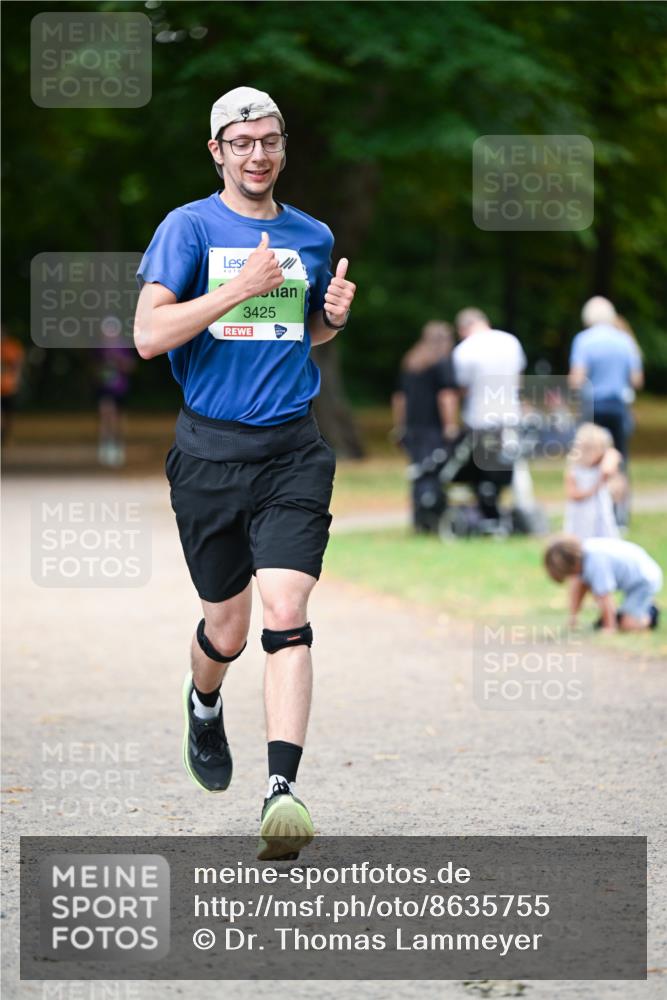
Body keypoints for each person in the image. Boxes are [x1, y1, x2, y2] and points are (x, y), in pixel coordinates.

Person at [133, 86, 356, 861]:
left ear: (282, 147)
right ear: (217, 152)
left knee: (285, 606)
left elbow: (302, 336)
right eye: (242, 143)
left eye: (269, 141)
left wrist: (329, 315)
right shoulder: (187, 226)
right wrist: (233, 288)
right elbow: (149, 335)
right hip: (208, 456)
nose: (257, 154)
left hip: (293, 448)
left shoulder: (311, 233)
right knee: (225, 630)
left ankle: (281, 790)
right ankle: (203, 700)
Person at [450, 307, 527, 524]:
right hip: (510, 413)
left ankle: (486, 513)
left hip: (480, 417)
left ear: (463, 328)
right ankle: (522, 511)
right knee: (514, 466)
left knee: (482, 468)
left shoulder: (464, 350)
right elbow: (518, 379)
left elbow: (462, 388)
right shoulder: (510, 341)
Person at [391, 320, 458, 532]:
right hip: (433, 427)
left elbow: (399, 398)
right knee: (433, 471)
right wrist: (450, 425)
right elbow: (446, 396)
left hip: (413, 428)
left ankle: (419, 519)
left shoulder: (412, 361)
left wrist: (400, 426)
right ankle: (433, 519)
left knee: (417, 472)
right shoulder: (443, 362)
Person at [568, 296, 643, 462]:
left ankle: (591, 486)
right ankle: (620, 485)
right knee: (619, 454)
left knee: (588, 456)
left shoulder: (583, 340)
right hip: (618, 406)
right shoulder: (625, 341)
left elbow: (577, 379)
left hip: (592, 407)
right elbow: (636, 380)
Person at [544, 535, 662, 632]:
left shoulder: (596, 563)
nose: (571, 577)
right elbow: (580, 587)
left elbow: (605, 596)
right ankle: (622, 614)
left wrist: (610, 627)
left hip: (644, 581)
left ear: (573, 566)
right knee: (581, 582)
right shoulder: (583, 556)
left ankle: (651, 612)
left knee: (628, 625)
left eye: (570, 574)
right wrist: (573, 617)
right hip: (634, 578)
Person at [563, 423, 623, 541]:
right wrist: (594, 488)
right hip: (580, 514)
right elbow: (572, 494)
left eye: (593, 448)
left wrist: (608, 455)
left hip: (601, 512)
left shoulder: (604, 463)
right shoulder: (574, 469)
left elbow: (608, 468)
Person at [93, 324, 137, 467]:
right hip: (104, 387)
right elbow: (93, 368)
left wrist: (119, 361)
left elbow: (131, 366)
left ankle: (118, 445)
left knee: (118, 419)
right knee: (106, 414)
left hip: (120, 388)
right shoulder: (99, 348)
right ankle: (105, 445)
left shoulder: (123, 347)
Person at [1, 328, 25, 446]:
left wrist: (17, 380)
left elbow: (17, 365)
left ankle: (7, 438)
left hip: (8, 387)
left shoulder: (12, 347)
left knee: (9, 415)